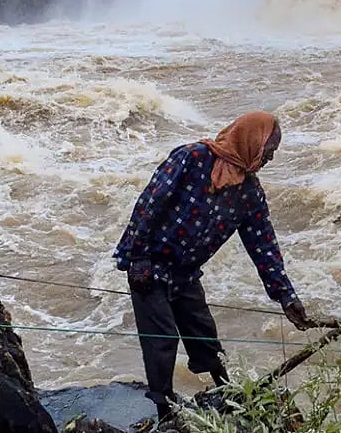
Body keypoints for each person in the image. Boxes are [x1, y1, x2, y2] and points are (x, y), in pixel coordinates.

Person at [112, 110, 312, 422]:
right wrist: (138, 258)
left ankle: (226, 391)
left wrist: (285, 296)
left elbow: (264, 247)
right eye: (268, 150)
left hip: (185, 273)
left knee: (204, 334)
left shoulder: (249, 193)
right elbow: (149, 203)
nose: (270, 158)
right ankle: (165, 412)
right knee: (162, 339)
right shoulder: (192, 158)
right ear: (251, 141)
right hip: (149, 265)